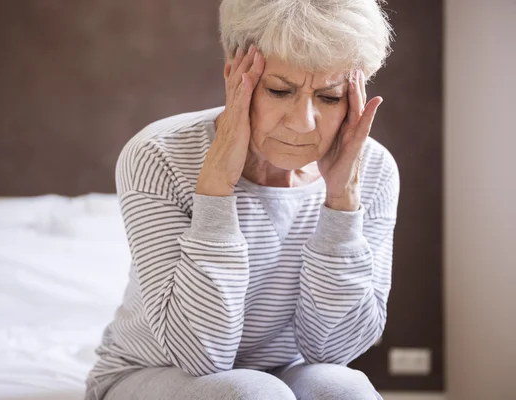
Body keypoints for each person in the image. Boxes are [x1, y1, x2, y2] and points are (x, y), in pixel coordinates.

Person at [87, 0, 398, 398]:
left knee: (346, 390)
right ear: (235, 72)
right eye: (279, 90)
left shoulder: (373, 169)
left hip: (285, 373)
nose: (303, 122)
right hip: (152, 371)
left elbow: (333, 352)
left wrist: (341, 202)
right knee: (251, 394)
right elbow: (200, 356)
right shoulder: (160, 154)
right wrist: (216, 184)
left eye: (329, 97)